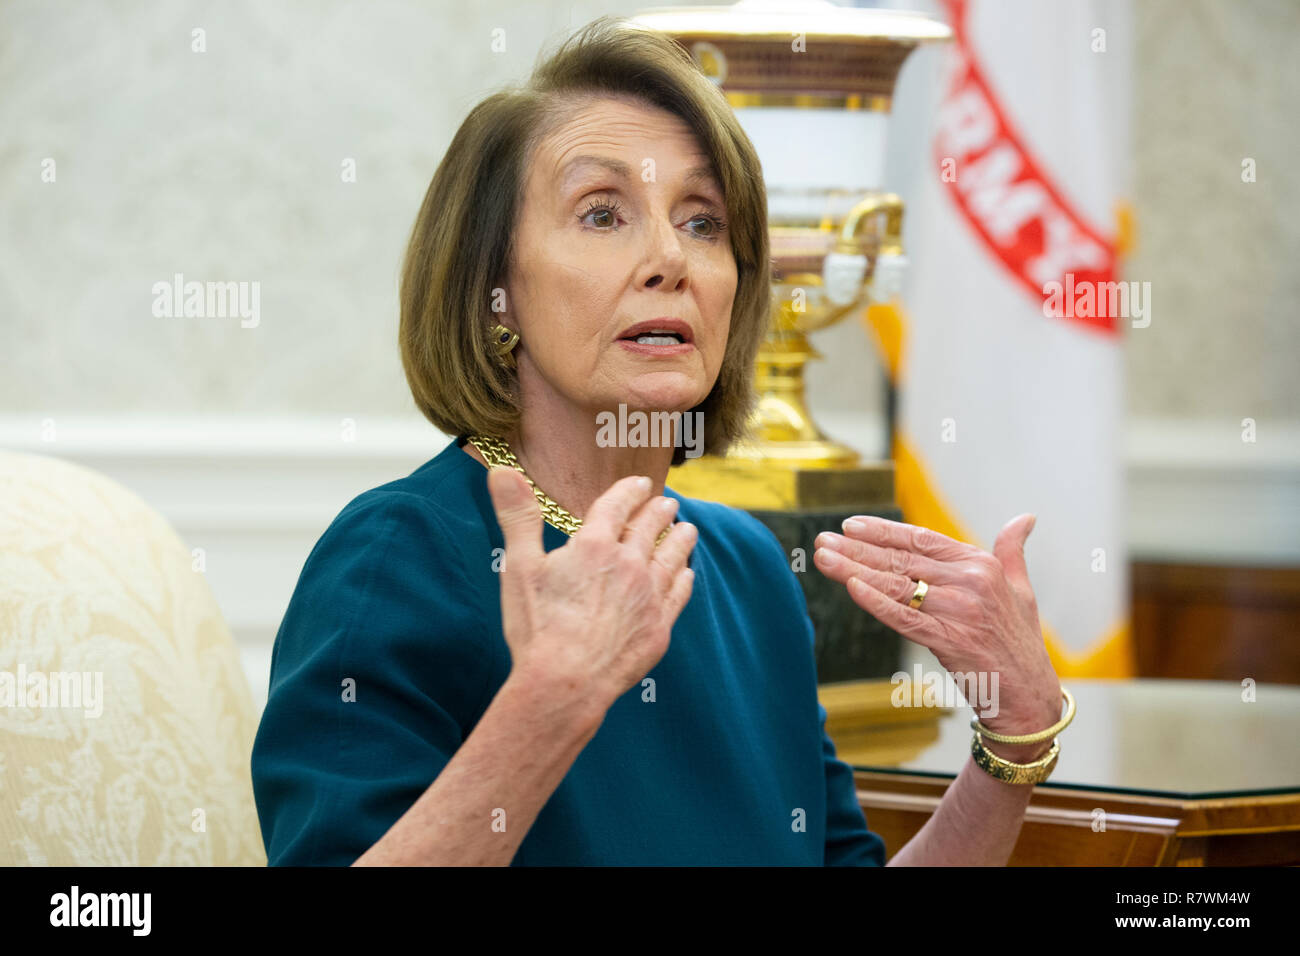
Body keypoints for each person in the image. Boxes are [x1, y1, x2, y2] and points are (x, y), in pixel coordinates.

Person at [250, 15, 1067, 866]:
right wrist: (550, 704)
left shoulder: (750, 567)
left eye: (704, 221)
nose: (669, 258)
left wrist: (1011, 745)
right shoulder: (398, 557)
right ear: (495, 289)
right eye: (603, 214)